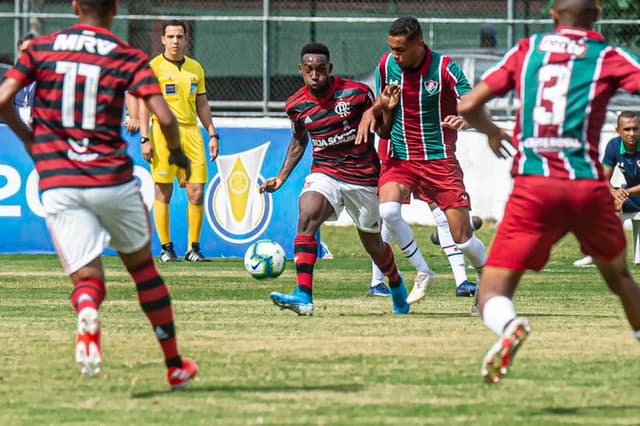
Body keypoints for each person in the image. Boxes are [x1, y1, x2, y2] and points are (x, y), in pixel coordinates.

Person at [0, 0, 197, 389]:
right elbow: (167, 117)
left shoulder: (41, 48)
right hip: (112, 181)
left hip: (60, 181)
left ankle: (88, 308)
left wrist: (35, 145)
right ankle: (174, 365)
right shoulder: (127, 57)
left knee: (88, 279)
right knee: (143, 271)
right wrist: (176, 154)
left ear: (75, 7)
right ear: (115, 9)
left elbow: (4, 99)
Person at [457, 0, 640, 384]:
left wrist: (492, 132)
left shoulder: (528, 50)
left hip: (535, 186)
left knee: (492, 291)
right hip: (587, 187)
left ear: (554, 15)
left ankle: (509, 326)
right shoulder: (606, 55)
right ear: (599, 14)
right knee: (621, 278)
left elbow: (469, 104)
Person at [261, 42, 408, 315]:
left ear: (329, 68)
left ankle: (396, 283)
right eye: (309, 70)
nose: (315, 75)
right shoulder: (296, 105)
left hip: (363, 178)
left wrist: (387, 109)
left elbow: (385, 134)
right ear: (301, 70)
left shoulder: (356, 94)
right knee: (307, 215)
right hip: (325, 172)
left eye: (320, 69)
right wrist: (281, 177)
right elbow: (298, 140)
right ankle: (303, 295)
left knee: (374, 246)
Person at [357, 16, 487, 312]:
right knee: (388, 210)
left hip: (439, 161)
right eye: (392, 49)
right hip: (401, 158)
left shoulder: (444, 68)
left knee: (463, 239)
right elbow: (384, 124)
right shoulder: (386, 66)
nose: (395, 56)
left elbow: (472, 102)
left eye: (401, 50)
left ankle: (485, 278)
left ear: (419, 44)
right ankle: (424, 271)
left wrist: (466, 119)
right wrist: (378, 110)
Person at [139, 20, 219, 263]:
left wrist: (212, 133)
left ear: (186, 39)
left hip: (191, 134)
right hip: (162, 134)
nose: (175, 41)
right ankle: (166, 248)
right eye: (171, 36)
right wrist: (144, 137)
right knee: (164, 190)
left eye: (180, 37)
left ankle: (193, 248)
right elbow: (144, 104)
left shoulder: (196, 68)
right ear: (162, 39)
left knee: (196, 192)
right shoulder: (153, 68)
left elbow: (201, 103)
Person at [369, 138, 477, 299]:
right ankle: (377, 281)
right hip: (398, 154)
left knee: (442, 214)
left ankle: (461, 282)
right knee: (389, 213)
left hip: (428, 152)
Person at [574, 111, 640, 267]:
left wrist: (624, 193)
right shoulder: (614, 146)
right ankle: (596, 254)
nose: (631, 133)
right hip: (631, 195)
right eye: (627, 129)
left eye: (635, 129)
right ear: (618, 131)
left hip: (632, 193)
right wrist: (614, 194)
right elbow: (603, 178)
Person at [14, 32, 38, 125]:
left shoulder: (46, 78)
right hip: (13, 130)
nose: (26, 56)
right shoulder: (11, 79)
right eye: (23, 52)